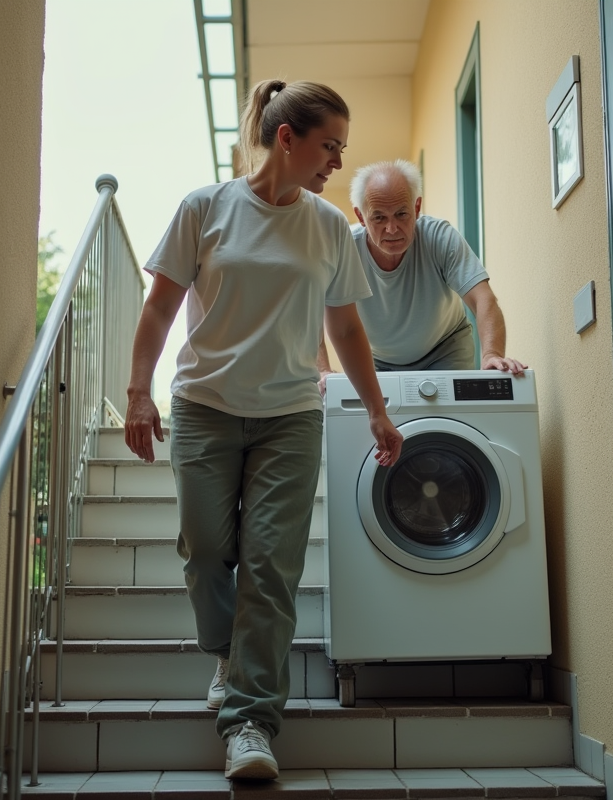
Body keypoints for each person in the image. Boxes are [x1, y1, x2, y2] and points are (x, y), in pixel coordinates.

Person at [124, 79, 403, 782]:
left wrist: (375, 407)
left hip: (289, 416)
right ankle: (228, 651)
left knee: (272, 565)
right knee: (207, 546)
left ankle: (249, 720)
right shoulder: (205, 208)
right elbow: (158, 310)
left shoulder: (330, 226)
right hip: (204, 406)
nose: (338, 162)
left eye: (341, 148)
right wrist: (138, 395)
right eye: (329, 146)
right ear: (287, 138)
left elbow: (344, 325)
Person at [316, 159, 527, 380]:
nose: (392, 229)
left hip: (445, 349)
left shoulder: (439, 237)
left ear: (416, 208)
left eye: (401, 214)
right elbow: (312, 311)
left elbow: (483, 299)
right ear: (361, 217)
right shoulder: (343, 249)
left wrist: (491, 355)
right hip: (377, 359)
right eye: (379, 217)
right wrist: (322, 370)